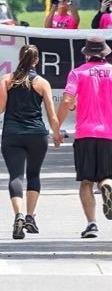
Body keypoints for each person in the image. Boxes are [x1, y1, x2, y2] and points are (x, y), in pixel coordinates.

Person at [0, 45, 60, 240]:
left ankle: (18, 215)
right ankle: (31, 216)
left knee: (16, 176)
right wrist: (57, 134)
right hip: (36, 135)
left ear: (19, 58)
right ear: (37, 61)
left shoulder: (7, 80)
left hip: (12, 134)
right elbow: (51, 115)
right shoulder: (42, 83)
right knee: (34, 175)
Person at [57, 35, 112, 239]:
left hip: (85, 133)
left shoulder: (77, 73)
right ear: (105, 53)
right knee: (106, 175)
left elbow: (67, 100)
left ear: (87, 54)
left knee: (86, 181)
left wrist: (57, 127)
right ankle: (107, 184)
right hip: (109, 133)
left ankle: (92, 224)